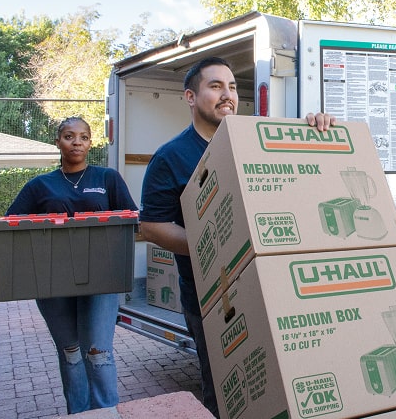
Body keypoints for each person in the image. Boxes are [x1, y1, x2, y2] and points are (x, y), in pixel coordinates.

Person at [139, 56, 335, 416]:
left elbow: (300, 176)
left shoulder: (254, 139)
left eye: (231, 86)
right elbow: (151, 226)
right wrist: (217, 249)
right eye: (215, 86)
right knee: (226, 391)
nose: (227, 94)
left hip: (273, 288)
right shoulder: (170, 157)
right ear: (190, 97)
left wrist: (316, 129)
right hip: (213, 298)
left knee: (280, 381)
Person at [6, 116, 138, 414]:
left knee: (98, 352)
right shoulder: (39, 185)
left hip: (101, 280)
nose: (76, 142)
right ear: (58, 142)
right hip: (52, 283)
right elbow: (10, 225)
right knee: (71, 353)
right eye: (69, 136)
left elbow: (132, 219)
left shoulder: (107, 179)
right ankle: (78, 414)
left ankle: (105, 414)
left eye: (83, 137)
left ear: (91, 143)